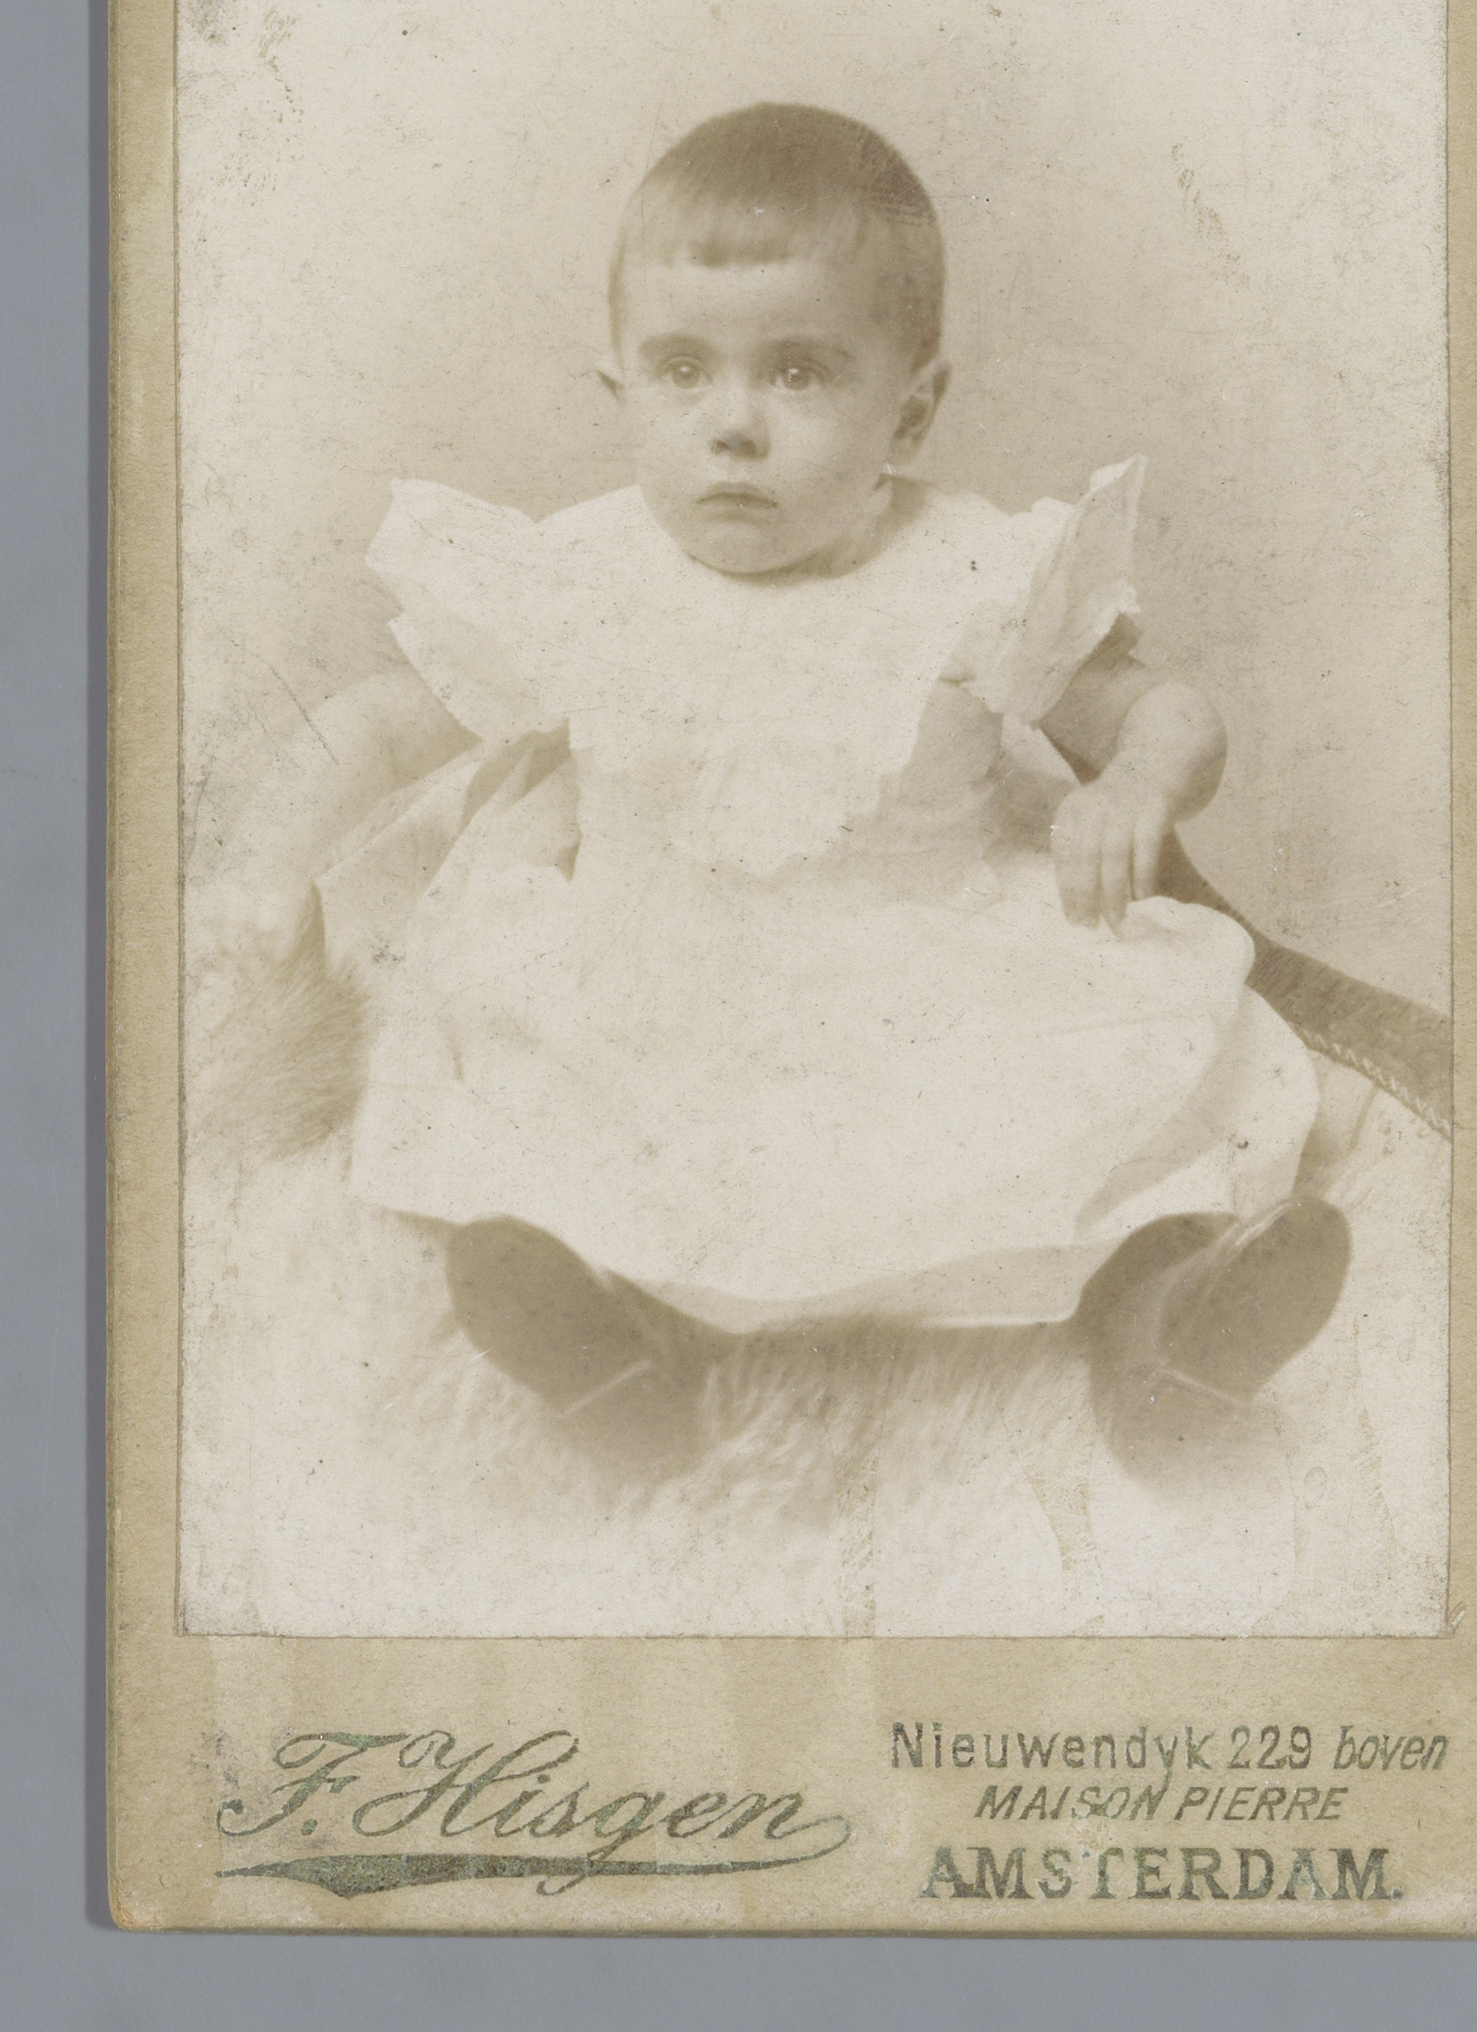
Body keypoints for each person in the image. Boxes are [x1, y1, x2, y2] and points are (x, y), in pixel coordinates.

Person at [196, 104, 1367, 1570]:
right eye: (683, 370)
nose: (733, 422)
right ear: (621, 384)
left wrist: (1135, 786)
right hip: (661, 974)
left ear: (910, 413)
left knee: (1105, 1133)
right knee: (598, 1141)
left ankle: (1166, 1330)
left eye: (799, 371)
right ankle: (620, 1355)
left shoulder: (968, 572)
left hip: (942, 968)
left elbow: (1166, 711)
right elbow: (376, 727)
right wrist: (264, 859)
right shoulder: (589, 572)